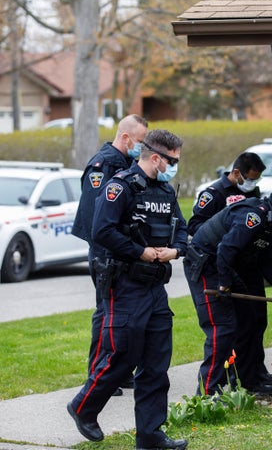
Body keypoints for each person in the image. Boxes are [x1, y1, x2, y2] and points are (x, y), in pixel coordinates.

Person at [67, 129, 188, 450]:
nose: (176, 166)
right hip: (124, 283)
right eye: (173, 160)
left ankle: (150, 436)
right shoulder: (119, 186)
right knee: (122, 354)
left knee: (156, 363)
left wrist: (173, 251)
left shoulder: (164, 191)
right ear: (156, 157)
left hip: (155, 286)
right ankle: (84, 407)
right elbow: (101, 230)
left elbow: (182, 230)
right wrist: (140, 251)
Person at [183, 178, 272, 396]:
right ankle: (208, 391)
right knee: (222, 328)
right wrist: (224, 286)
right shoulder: (254, 217)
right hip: (205, 263)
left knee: (250, 321)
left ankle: (247, 380)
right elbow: (225, 250)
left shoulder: (269, 223)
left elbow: (266, 264)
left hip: (224, 265)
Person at [188, 152, 272, 389]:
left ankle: (254, 371)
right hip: (222, 264)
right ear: (237, 173)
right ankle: (229, 376)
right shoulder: (214, 194)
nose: (254, 184)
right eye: (251, 178)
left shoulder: (255, 197)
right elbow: (197, 227)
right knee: (229, 326)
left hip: (248, 266)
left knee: (256, 320)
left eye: (257, 179)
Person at [72, 114, 148, 395]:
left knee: (122, 315)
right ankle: (97, 373)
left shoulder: (127, 164)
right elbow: (97, 220)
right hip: (105, 253)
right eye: (141, 141)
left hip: (122, 252)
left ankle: (118, 371)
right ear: (125, 137)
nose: (143, 148)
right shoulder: (102, 166)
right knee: (105, 313)